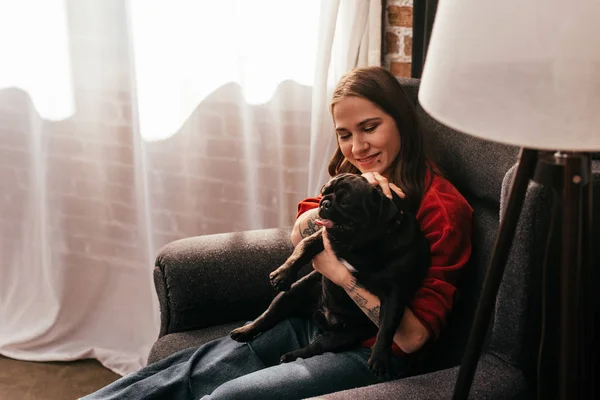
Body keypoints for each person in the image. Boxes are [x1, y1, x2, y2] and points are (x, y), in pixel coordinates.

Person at [81, 66, 473, 400]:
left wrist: (338, 274)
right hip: (317, 319)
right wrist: (335, 212)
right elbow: (301, 228)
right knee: (184, 375)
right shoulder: (361, 181)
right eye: (344, 134)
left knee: (225, 397)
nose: (357, 147)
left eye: (370, 128)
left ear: (401, 122)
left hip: (373, 353)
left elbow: (413, 338)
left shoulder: (442, 209)